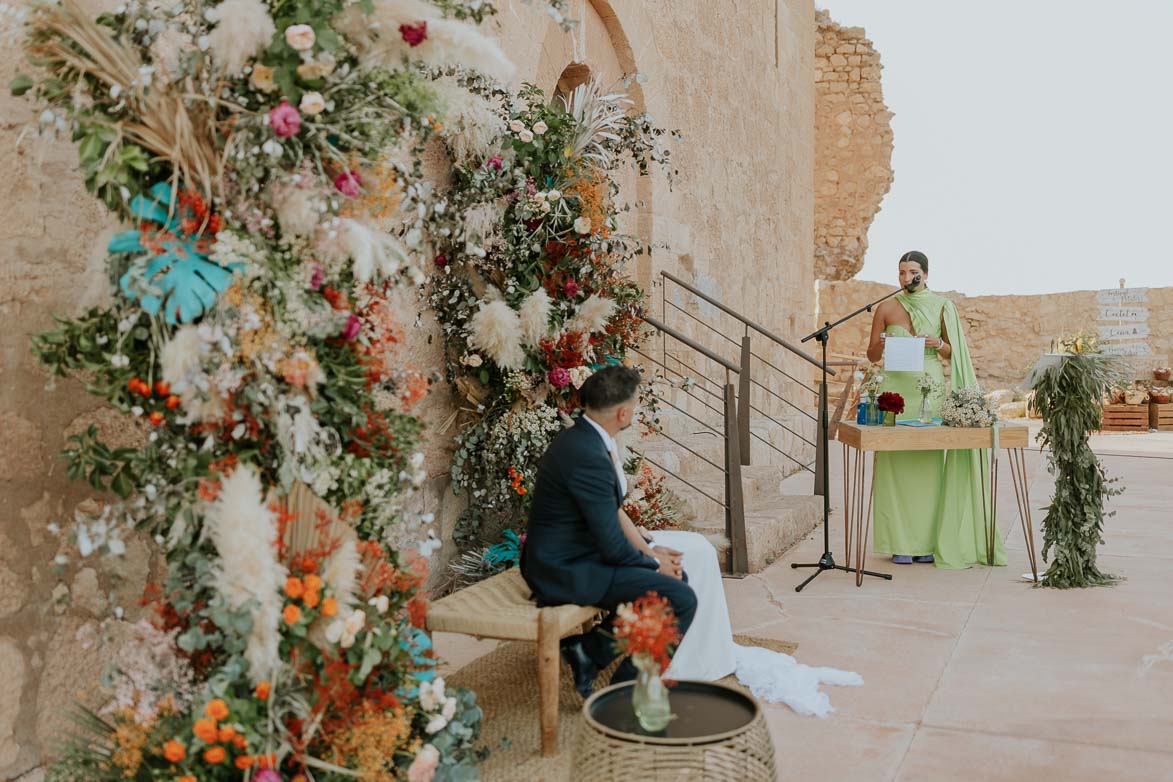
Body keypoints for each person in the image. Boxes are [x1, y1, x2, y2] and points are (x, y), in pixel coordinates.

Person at [520, 366, 698, 697]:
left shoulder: (586, 439)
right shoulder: (587, 454)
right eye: (636, 405)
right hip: (561, 569)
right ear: (623, 413)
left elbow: (612, 513)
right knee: (682, 599)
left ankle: (591, 651)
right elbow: (613, 547)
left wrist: (651, 551)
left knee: (677, 584)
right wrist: (653, 565)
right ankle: (626, 697)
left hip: (576, 556)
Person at [865, 250, 1007, 569]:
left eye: (912, 271)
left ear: (925, 274)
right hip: (894, 390)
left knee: (927, 464)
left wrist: (937, 344)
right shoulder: (886, 307)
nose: (905, 278)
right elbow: (872, 354)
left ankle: (928, 542)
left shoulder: (943, 306)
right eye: (900, 272)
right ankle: (899, 541)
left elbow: (953, 352)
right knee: (893, 462)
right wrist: (884, 343)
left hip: (928, 388)